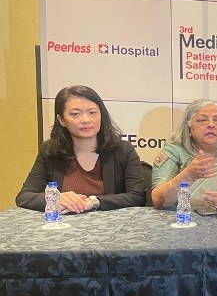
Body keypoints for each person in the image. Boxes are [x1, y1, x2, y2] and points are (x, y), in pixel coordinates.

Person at [16, 85, 145, 212]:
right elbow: (24, 197)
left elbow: (137, 196)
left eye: (92, 113)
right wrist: (55, 199)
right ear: (61, 120)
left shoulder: (122, 150)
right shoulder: (50, 151)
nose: (86, 120)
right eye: (75, 114)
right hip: (64, 223)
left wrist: (93, 202)